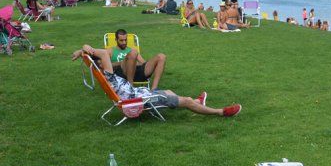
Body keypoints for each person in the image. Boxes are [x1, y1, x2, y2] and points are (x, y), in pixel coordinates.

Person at [71, 45, 242, 118]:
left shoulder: (104, 75)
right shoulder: (108, 75)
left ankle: (198, 102)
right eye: (102, 61)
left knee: (170, 93)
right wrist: (87, 48)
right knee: (186, 101)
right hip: (142, 100)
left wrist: (82, 51)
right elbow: (102, 53)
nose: (105, 61)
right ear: (100, 65)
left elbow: (99, 56)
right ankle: (220, 112)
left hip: (141, 94)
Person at [80, 29, 167, 90]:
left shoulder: (132, 50)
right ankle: (130, 87)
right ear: (116, 40)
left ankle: (154, 89)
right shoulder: (110, 51)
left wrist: (133, 63)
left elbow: (143, 63)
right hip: (122, 73)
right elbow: (103, 64)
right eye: (121, 40)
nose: (124, 42)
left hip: (137, 72)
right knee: (133, 53)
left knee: (161, 56)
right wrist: (121, 62)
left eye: (125, 40)